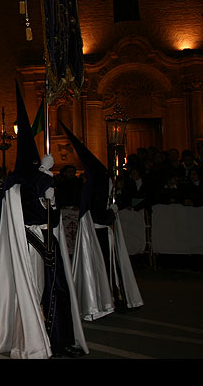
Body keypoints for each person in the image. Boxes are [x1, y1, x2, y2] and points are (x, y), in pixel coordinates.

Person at [0, 83, 87, 359]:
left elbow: (50, 219)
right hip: (31, 247)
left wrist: (51, 200)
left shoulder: (38, 182)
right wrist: (42, 181)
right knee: (37, 292)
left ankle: (60, 338)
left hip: (48, 242)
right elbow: (25, 211)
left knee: (58, 291)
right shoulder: (15, 187)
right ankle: (37, 339)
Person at [61, 122, 144, 316]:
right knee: (104, 266)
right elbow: (98, 213)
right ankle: (107, 299)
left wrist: (115, 204)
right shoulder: (94, 188)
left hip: (102, 231)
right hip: (98, 231)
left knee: (110, 264)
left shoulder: (96, 185)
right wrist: (112, 210)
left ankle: (113, 296)